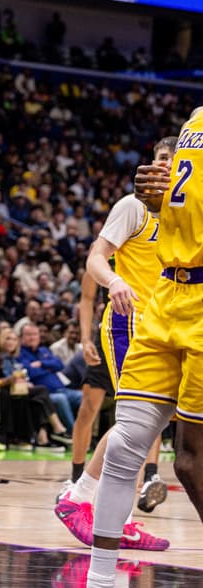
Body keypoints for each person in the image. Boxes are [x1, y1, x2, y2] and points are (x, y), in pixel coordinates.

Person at [87, 122, 203, 587]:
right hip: (163, 297)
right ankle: (100, 579)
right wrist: (163, 205)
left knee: (191, 460)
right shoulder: (194, 118)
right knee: (122, 445)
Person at [56, 138, 177, 555]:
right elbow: (95, 257)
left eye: (176, 162)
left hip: (167, 326)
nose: (167, 168)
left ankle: (113, 515)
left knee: (153, 422)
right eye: (162, 159)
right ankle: (79, 496)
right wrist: (114, 280)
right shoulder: (132, 206)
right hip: (128, 322)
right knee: (135, 421)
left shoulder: (185, 216)